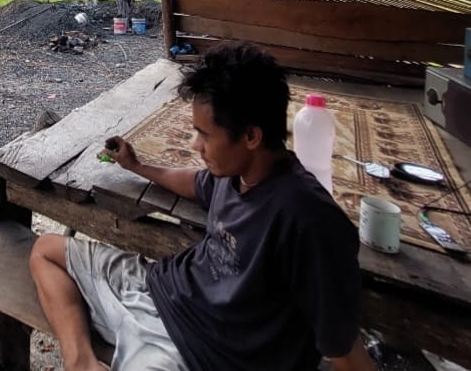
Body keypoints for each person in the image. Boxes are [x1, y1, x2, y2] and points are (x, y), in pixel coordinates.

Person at [29, 42, 374, 371]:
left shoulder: (309, 222)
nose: (195, 145)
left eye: (205, 135)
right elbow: (193, 183)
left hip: (196, 351)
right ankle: (81, 362)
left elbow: (342, 349)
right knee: (45, 250)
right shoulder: (234, 171)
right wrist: (137, 166)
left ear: (252, 136)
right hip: (157, 289)